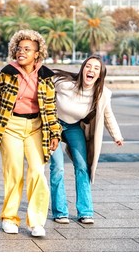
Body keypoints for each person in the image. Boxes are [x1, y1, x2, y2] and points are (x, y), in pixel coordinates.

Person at [0, 30, 61, 237]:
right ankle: (9, 218)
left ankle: (36, 222)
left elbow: (51, 108)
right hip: (10, 126)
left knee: (37, 172)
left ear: (37, 54)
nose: (21, 52)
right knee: (14, 172)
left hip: (36, 127)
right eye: (19, 48)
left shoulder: (45, 77)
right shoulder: (6, 73)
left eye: (27, 49)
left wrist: (54, 133)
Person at [50, 55, 124, 225]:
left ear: (100, 74)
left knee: (83, 166)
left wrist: (117, 135)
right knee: (58, 167)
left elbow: (108, 115)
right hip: (53, 126)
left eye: (96, 68)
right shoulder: (64, 84)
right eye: (88, 66)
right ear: (82, 69)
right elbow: (42, 86)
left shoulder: (102, 93)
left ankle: (85, 211)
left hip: (73, 126)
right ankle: (60, 212)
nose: (91, 70)